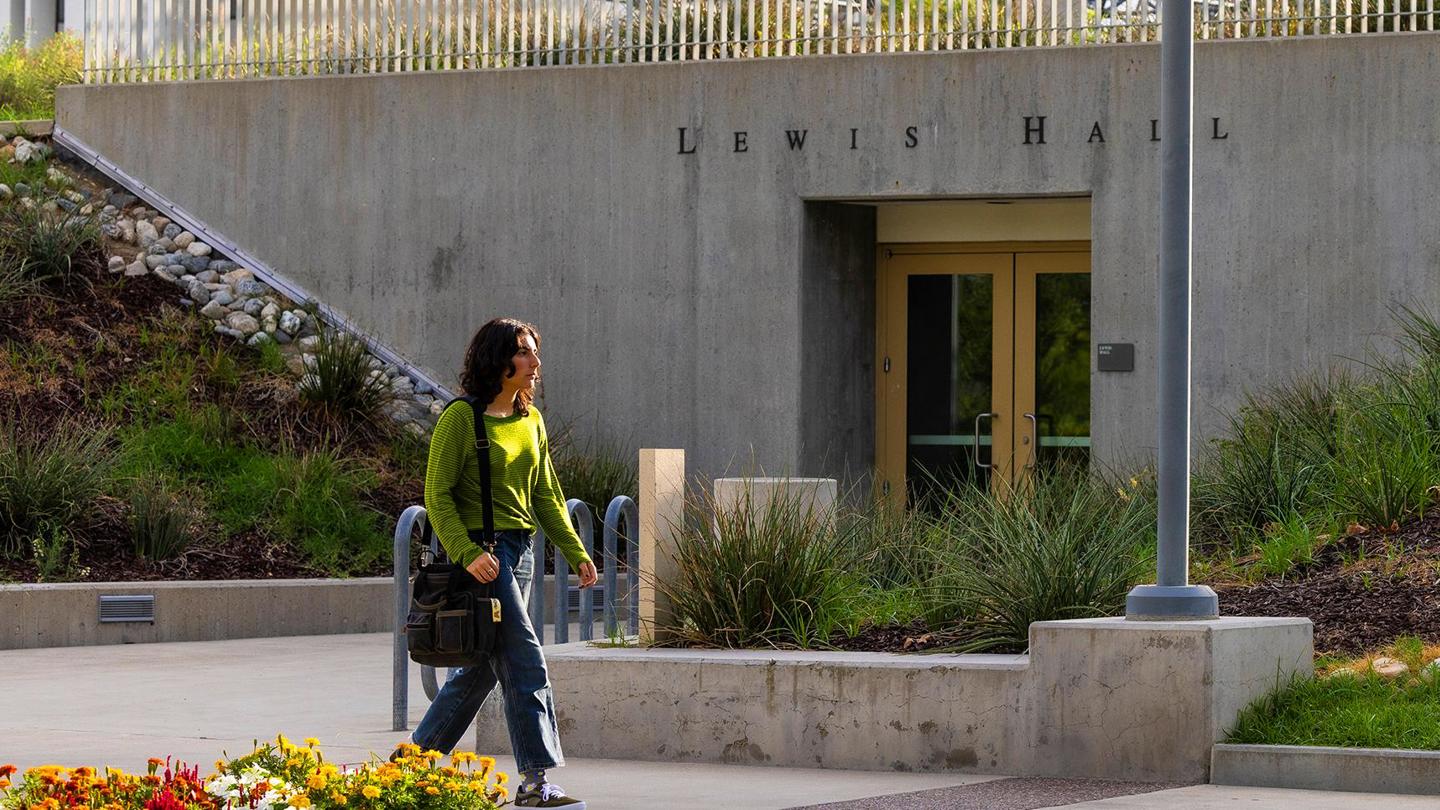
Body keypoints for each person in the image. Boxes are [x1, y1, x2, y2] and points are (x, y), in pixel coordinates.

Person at [400, 317, 596, 810]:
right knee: (526, 658)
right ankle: (535, 782)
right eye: (525, 353)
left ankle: (409, 769)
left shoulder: (531, 419)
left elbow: (547, 494)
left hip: (521, 553)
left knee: (481, 671)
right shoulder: (460, 419)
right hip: (482, 559)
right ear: (498, 359)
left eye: (535, 352)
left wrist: (575, 552)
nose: (536, 363)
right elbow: (436, 496)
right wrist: (468, 554)